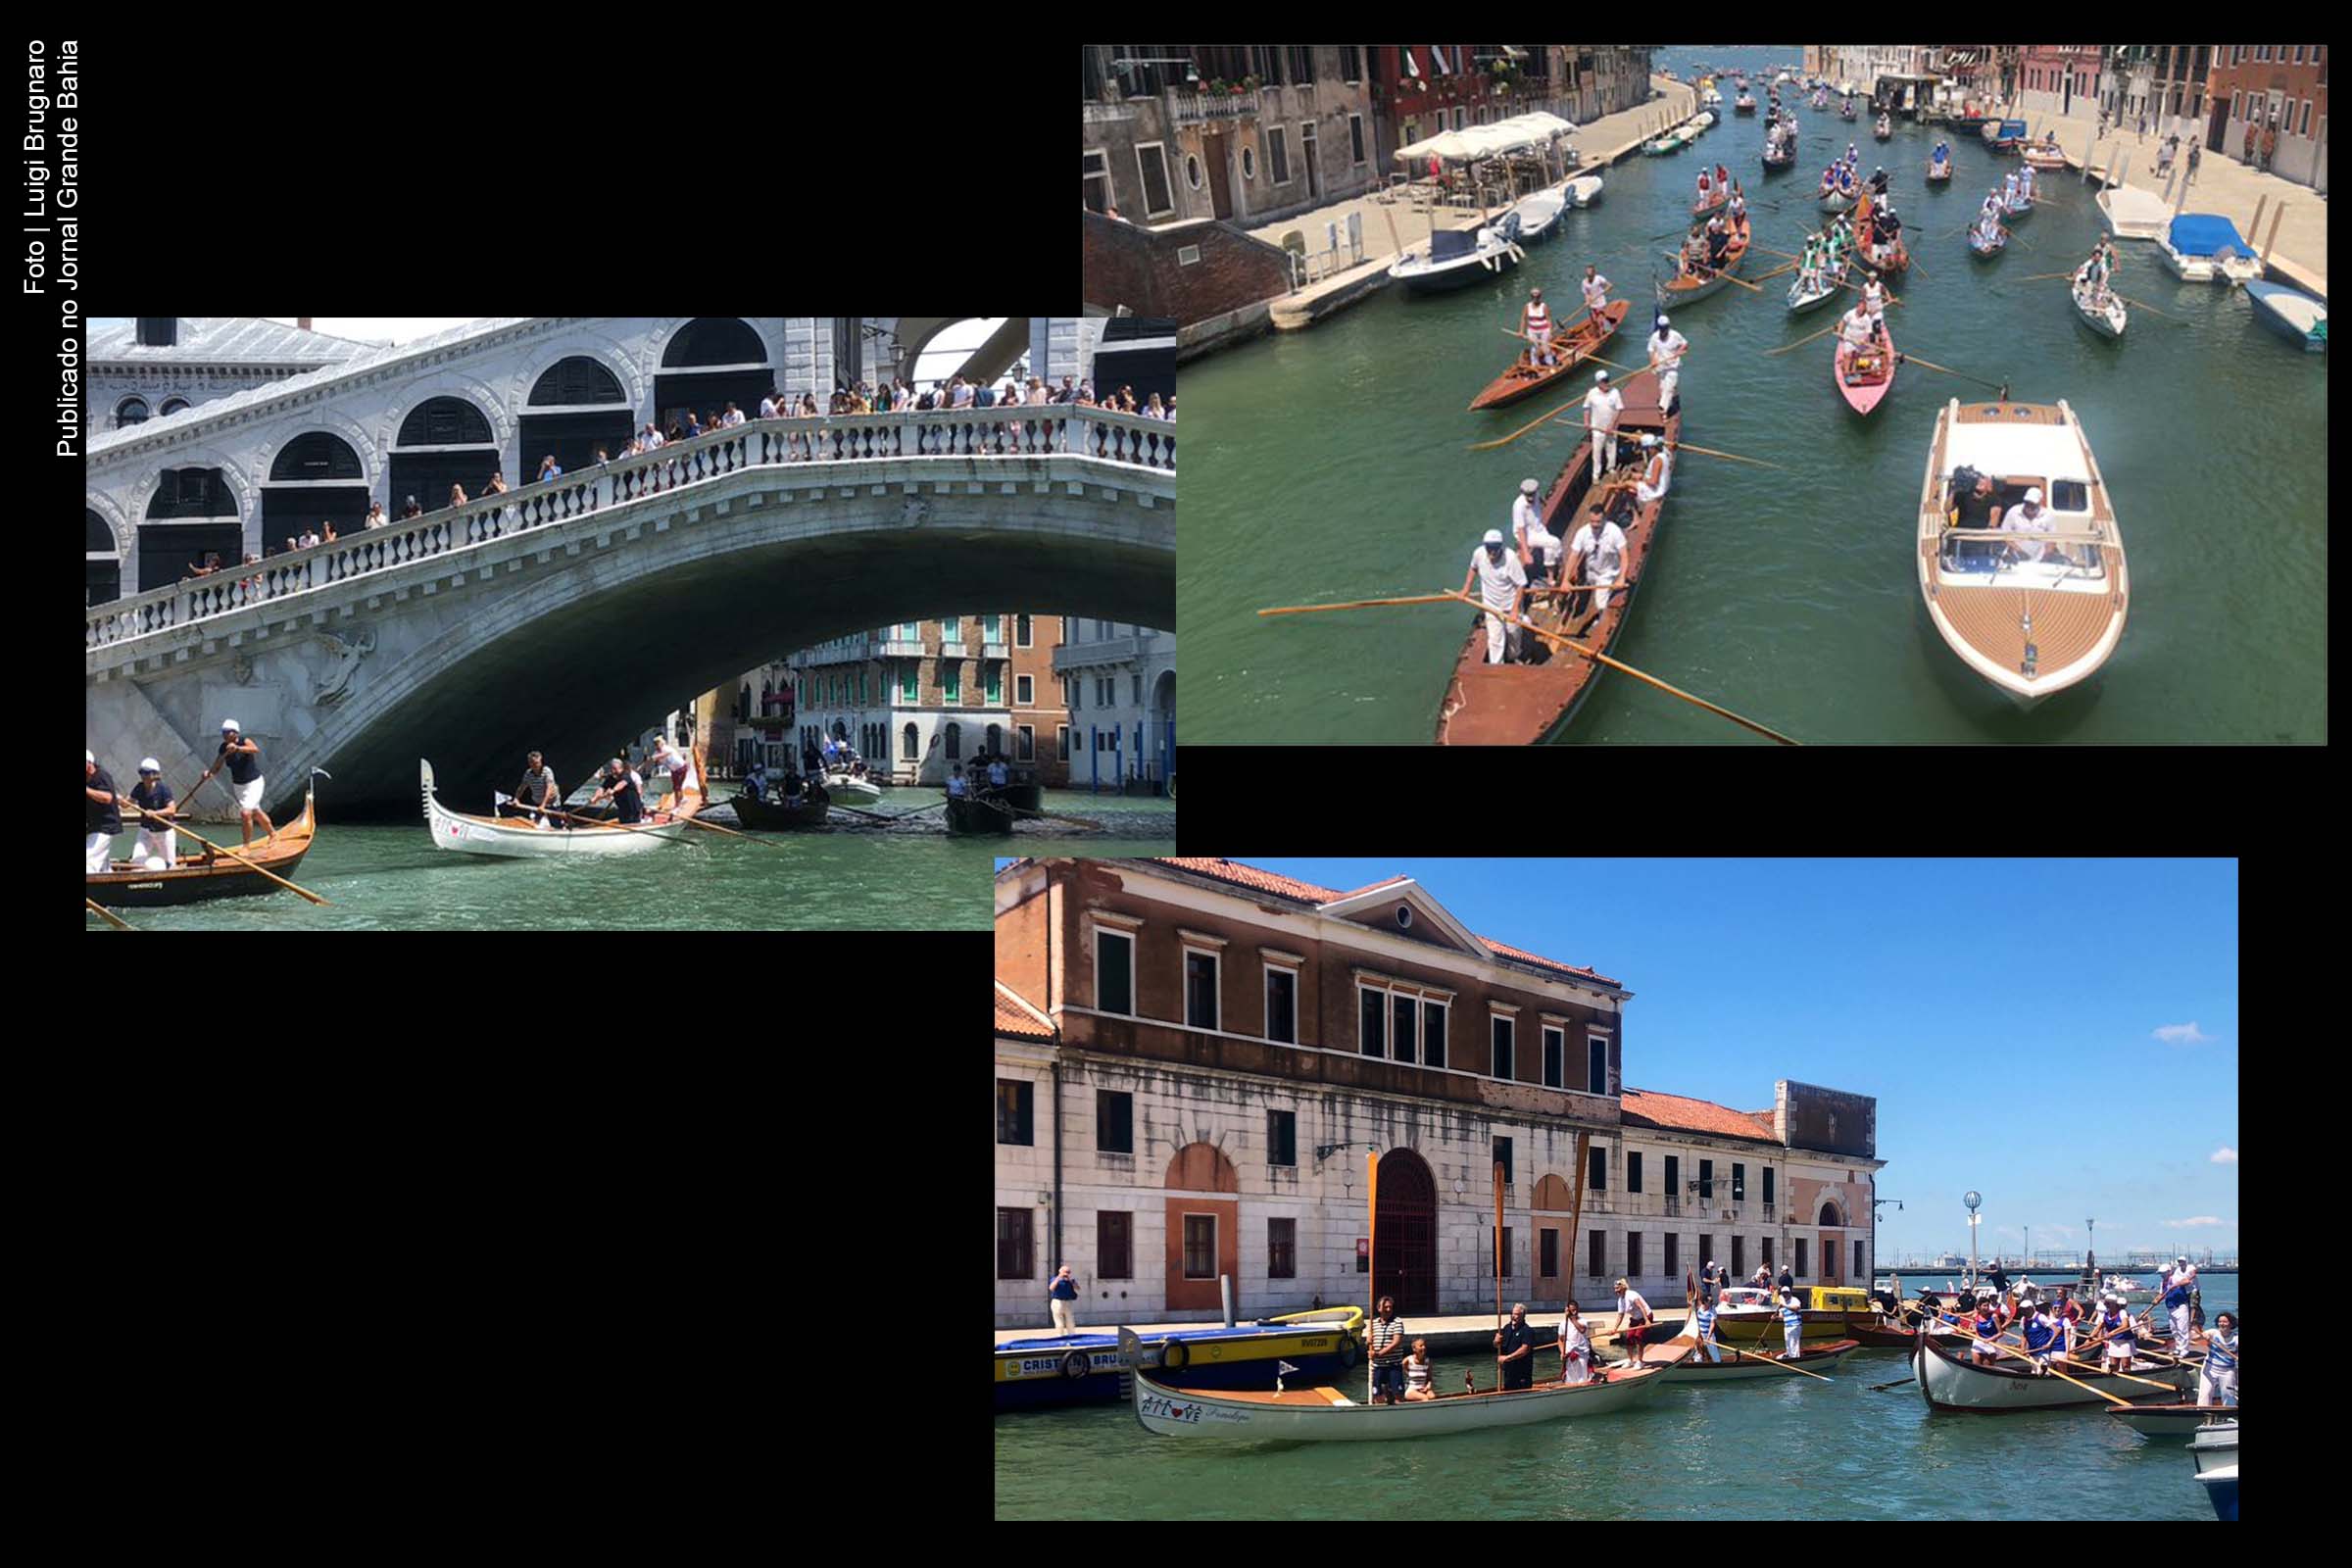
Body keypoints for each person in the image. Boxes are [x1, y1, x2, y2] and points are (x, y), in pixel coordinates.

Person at [192, 719, 274, 845]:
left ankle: (246, 846)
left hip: (254, 783)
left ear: (235, 733)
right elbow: (218, 764)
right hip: (239, 786)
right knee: (256, 812)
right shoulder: (223, 747)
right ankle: (273, 834)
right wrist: (209, 773)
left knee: (245, 813)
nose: (224, 735)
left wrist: (238, 748)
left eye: (227, 732)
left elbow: (254, 749)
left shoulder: (244, 741)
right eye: (223, 733)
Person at [1461, 528, 1527, 665]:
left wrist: (1515, 610)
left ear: (1501, 546)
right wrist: (1465, 589)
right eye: (1489, 548)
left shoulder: (1510, 559)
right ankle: (1496, 666)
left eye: (1495, 548)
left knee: (1513, 633)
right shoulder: (1479, 554)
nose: (1492, 551)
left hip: (1510, 604)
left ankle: (1513, 656)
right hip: (1491, 605)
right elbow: (1473, 568)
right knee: (1495, 639)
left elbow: (1521, 585)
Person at [84, 749, 123, 874]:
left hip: (105, 826)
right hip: (93, 826)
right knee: (103, 866)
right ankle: (110, 882)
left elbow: (107, 797)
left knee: (88, 860)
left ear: (89, 764)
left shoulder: (102, 776)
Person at [1366, 1297, 1407, 1404]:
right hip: (1378, 1366)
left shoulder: (1397, 1322)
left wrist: (1379, 1354)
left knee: (1398, 1394)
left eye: (1390, 1307)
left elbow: (1396, 1342)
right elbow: (1370, 1342)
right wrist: (1368, 1340)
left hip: (1393, 1365)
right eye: (1385, 1307)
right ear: (1379, 1308)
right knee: (1377, 1394)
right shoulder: (1373, 1323)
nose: (1388, 1309)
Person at [2192, 1311, 2237, 1407]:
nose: (2222, 1324)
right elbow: (2193, 1339)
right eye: (2220, 1322)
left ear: (2231, 1324)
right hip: (2210, 1368)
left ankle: (2229, 1415)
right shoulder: (2213, 1333)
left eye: (2225, 1322)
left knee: (2228, 1395)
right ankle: (2202, 1412)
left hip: (2227, 1370)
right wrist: (2201, 1336)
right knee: (2205, 1394)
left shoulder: (2236, 1338)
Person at [586, 758, 647, 824]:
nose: (613, 771)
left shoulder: (626, 775)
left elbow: (622, 783)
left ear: (621, 768)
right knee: (623, 822)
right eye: (612, 769)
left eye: (615, 769)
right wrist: (595, 798)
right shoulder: (610, 778)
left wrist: (613, 790)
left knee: (632, 823)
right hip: (622, 809)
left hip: (634, 808)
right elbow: (602, 788)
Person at [512, 752, 563, 828]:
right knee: (534, 823)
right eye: (532, 763)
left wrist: (543, 805)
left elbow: (549, 789)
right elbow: (522, 787)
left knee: (556, 824)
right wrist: (516, 799)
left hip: (551, 803)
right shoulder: (528, 774)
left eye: (536, 763)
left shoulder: (547, 771)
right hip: (537, 802)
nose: (535, 765)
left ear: (540, 761)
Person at [1494, 1301, 1537, 1391]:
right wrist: (1496, 1342)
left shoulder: (1527, 1331)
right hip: (1509, 1372)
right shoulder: (1507, 1328)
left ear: (1523, 1316)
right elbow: (1499, 1346)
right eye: (1512, 1314)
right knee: (1508, 1389)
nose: (1513, 1316)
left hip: (1522, 1373)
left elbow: (1525, 1349)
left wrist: (1507, 1358)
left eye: (1516, 1314)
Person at [1557, 1301, 1595, 1384]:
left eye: (1574, 1310)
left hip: (1582, 1353)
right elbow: (1560, 1339)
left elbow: (1582, 1330)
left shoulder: (1583, 1321)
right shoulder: (1563, 1324)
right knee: (1570, 1378)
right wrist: (1562, 1352)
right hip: (1569, 1353)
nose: (1573, 1312)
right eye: (1571, 1310)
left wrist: (1572, 1318)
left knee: (1582, 1378)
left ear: (1578, 1309)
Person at [1047, 1264, 1079, 1334]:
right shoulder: (1055, 1279)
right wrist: (1059, 1278)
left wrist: (1070, 1281)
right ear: (1060, 1272)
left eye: (1068, 1272)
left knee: (1070, 1322)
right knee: (1059, 1323)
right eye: (1065, 1272)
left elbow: (1077, 1288)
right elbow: (1051, 1288)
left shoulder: (1071, 1281)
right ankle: (1060, 1336)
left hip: (1068, 1302)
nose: (1066, 1274)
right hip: (1058, 1302)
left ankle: (1071, 1336)